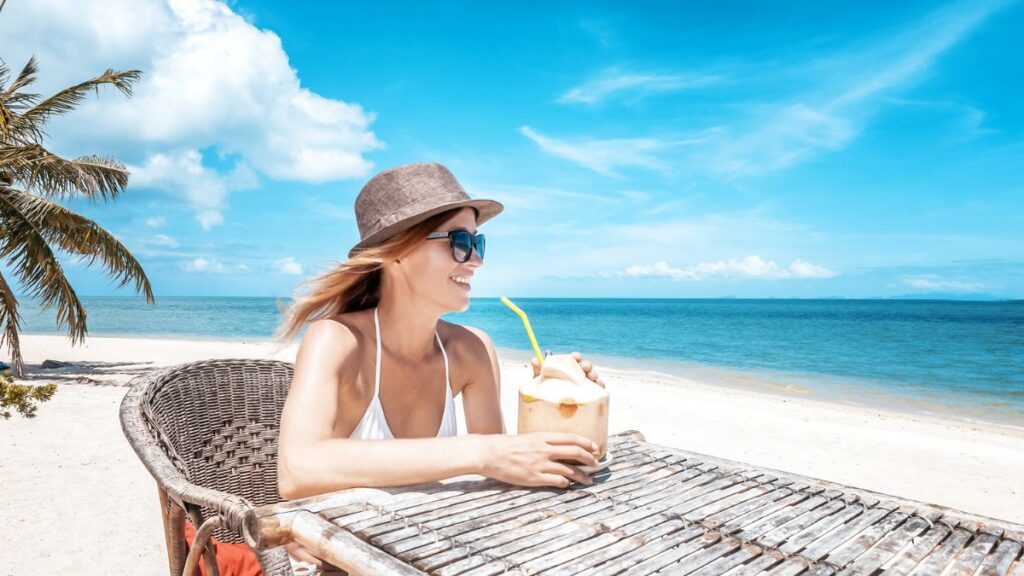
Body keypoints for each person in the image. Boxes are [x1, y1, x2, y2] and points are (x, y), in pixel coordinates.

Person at [273, 162, 605, 572]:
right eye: (459, 241)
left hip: (432, 554)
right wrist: (480, 452)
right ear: (397, 252)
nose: (476, 261)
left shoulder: (472, 350)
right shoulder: (338, 341)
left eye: (478, 244)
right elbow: (297, 469)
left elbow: (501, 472)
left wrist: (565, 403)